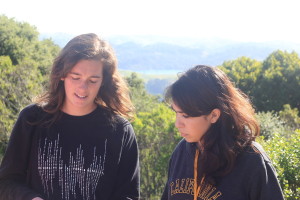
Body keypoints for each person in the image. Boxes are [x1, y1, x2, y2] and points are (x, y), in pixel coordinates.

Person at [0, 33, 140, 200]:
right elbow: (6, 183)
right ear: (62, 75)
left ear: (103, 81)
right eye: (76, 77)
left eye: (93, 80)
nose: (83, 88)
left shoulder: (120, 131)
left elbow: (128, 195)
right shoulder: (32, 119)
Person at [161, 65, 284, 200]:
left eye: (185, 115)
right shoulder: (181, 152)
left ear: (214, 115)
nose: (177, 124)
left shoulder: (252, 159)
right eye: (176, 113)